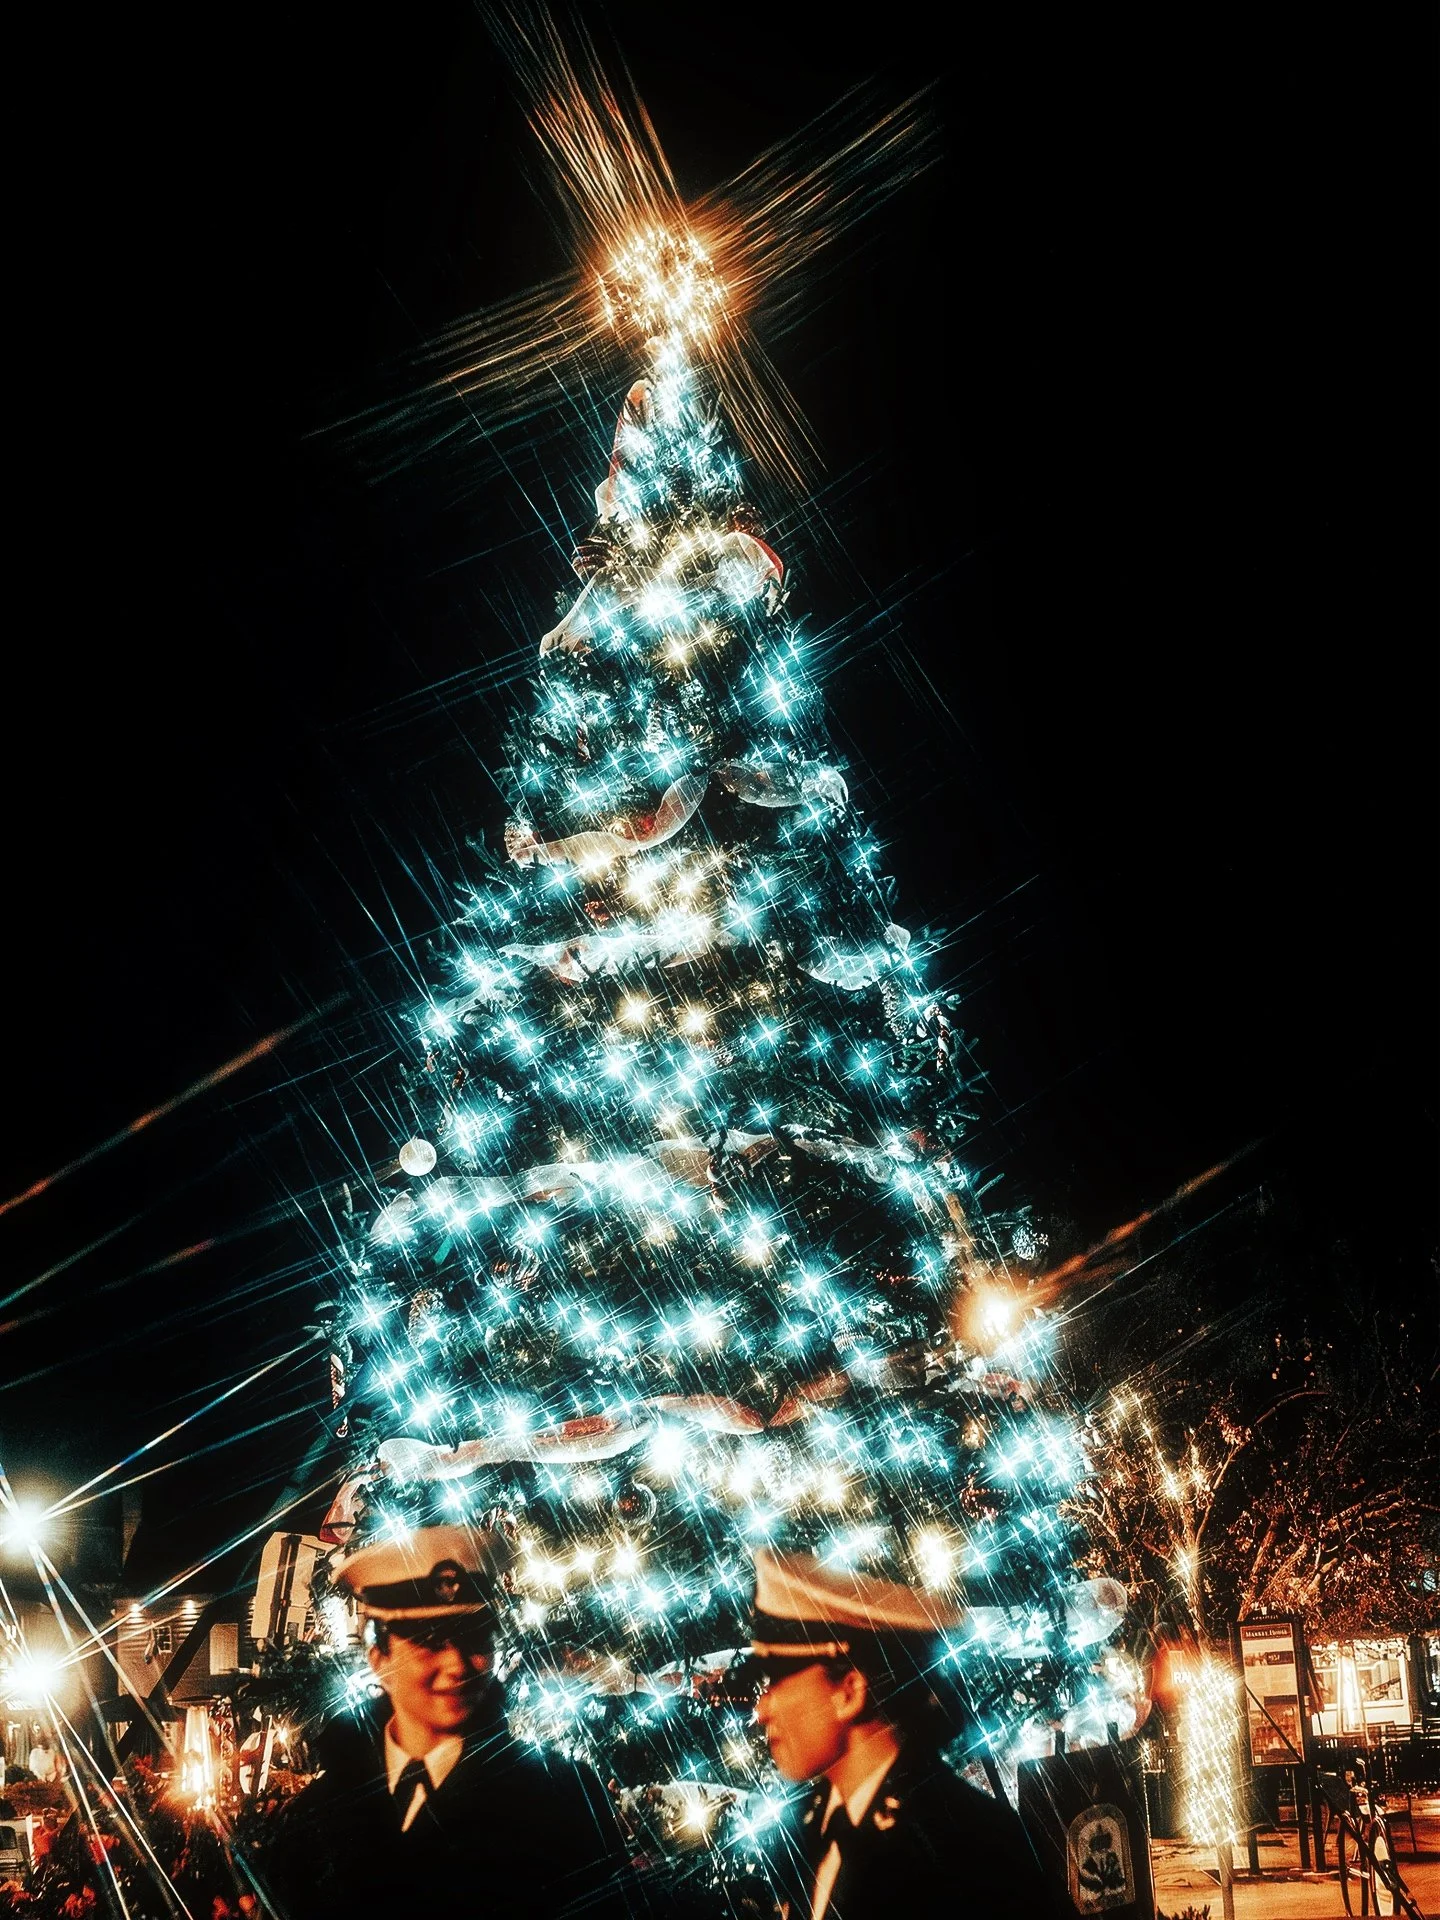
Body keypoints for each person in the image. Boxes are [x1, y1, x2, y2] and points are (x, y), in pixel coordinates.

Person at [261, 1524, 640, 1920]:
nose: (457, 1663)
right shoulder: (315, 1817)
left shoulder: (565, 1798)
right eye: (428, 1641)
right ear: (379, 1658)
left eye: (475, 1637)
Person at [749, 1548, 1065, 1920]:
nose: (762, 1710)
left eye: (776, 1683)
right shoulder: (809, 1824)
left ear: (849, 1692)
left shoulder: (970, 1844)